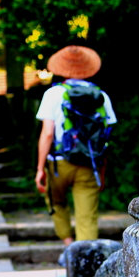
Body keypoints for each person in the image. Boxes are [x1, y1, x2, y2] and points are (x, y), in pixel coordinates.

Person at [34, 44, 116, 246]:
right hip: (89, 164)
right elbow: (105, 137)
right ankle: (85, 259)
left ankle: (69, 244)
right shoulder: (101, 96)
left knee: (56, 202)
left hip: (58, 164)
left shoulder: (52, 95)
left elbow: (47, 134)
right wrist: (102, 171)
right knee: (87, 216)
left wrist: (39, 168)